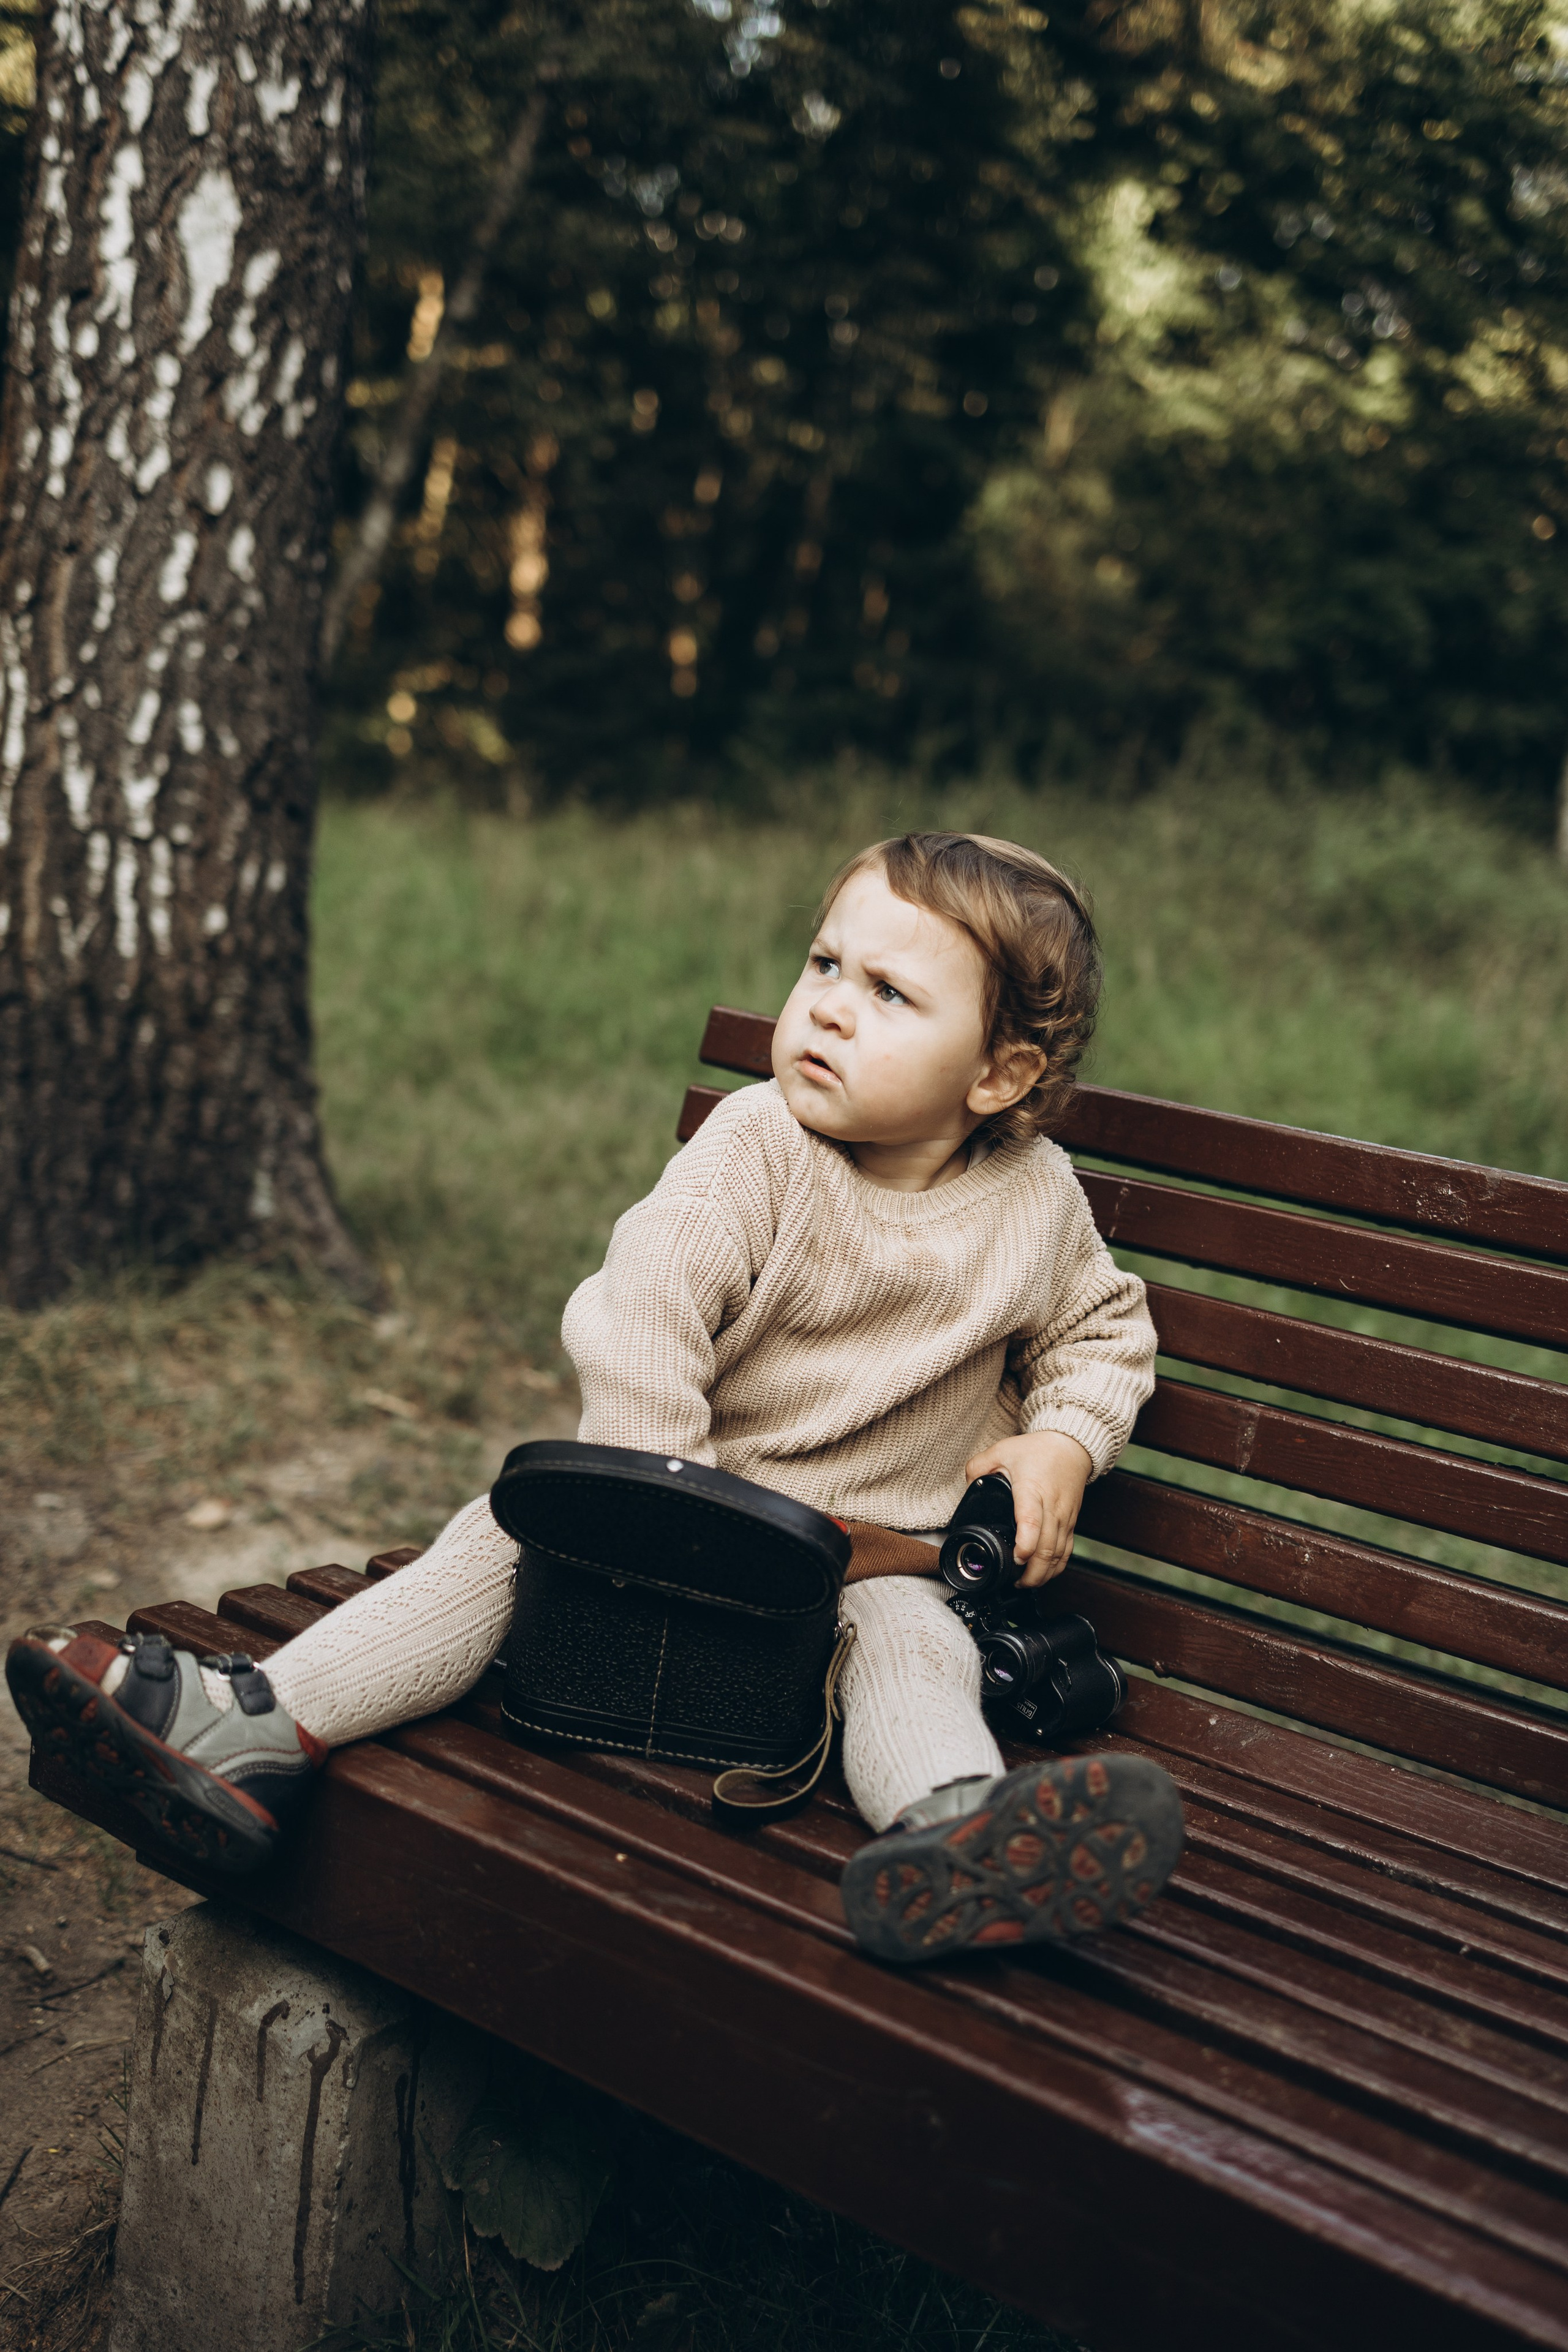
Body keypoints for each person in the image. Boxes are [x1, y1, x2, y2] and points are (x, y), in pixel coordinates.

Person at [8, 832, 1182, 1964]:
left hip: (860, 1568)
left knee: (916, 1650)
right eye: (824, 963)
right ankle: (256, 1732)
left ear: (999, 1073)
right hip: (671, 1531)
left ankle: (957, 1838)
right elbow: (645, 1307)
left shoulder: (1033, 1201)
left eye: (888, 993)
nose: (827, 1004)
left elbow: (1102, 1333)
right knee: (496, 1544)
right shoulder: (757, 1147)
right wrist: (656, 1498)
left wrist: (1062, 1446)